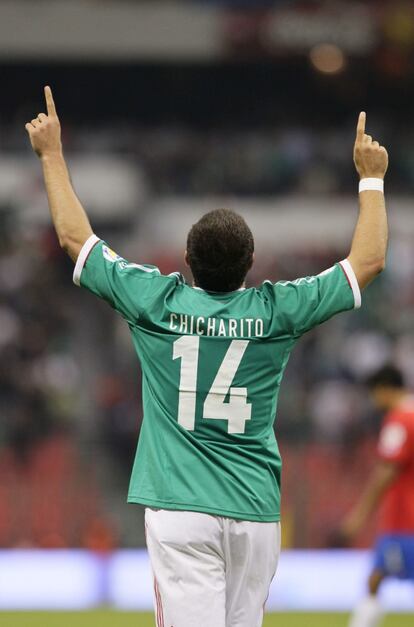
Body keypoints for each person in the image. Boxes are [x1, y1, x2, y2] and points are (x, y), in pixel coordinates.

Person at [25, 86, 388, 627]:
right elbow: (367, 261)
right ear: (252, 264)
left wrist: (52, 154)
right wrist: (371, 177)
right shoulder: (276, 311)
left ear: (187, 261)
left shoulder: (154, 301)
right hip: (255, 512)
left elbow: (75, 238)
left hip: (180, 508)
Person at [342, 365, 414, 627]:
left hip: (405, 522)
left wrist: (359, 514)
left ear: (384, 389)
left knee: (375, 578)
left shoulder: (400, 420)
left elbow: (386, 470)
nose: (374, 401)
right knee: (376, 577)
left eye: (375, 393)